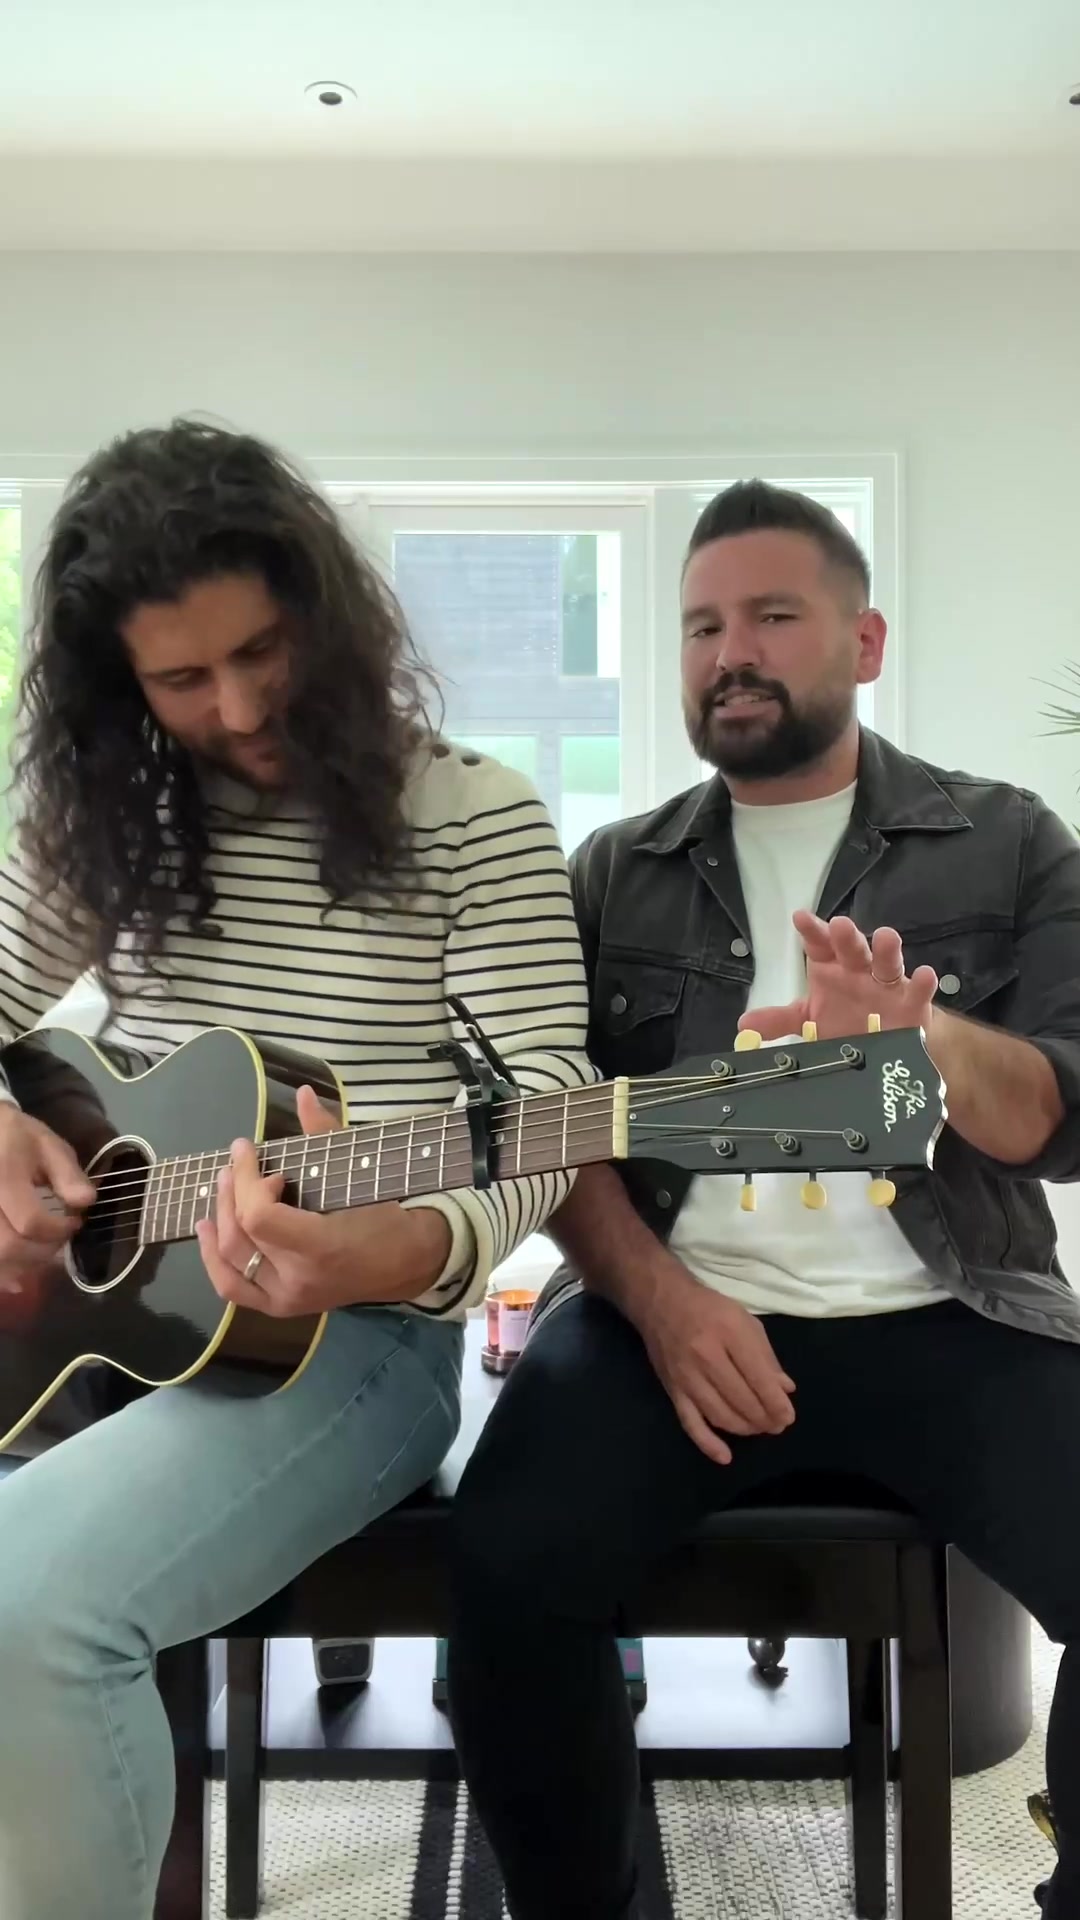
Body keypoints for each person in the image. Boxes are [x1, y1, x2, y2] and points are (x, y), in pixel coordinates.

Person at [447, 480, 1080, 1920]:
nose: (730, 652)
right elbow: (555, 1136)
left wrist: (922, 1046)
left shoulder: (1007, 841)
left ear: (863, 640)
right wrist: (660, 1304)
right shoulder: (613, 871)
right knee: (505, 1573)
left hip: (958, 1313)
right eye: (700, 627)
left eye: (772, 616)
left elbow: (1057, 1118)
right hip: (671, 1318)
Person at [0, 419, 593, 1920]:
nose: (240, 706)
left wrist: (390, 1250)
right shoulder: (110, 818)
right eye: (181, 680)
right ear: (117, 685)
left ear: (322, 608)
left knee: (27, 1611)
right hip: (95, 1327)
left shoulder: (475, 815)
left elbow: (548, 1109)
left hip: (350, 1343)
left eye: (262, 651)